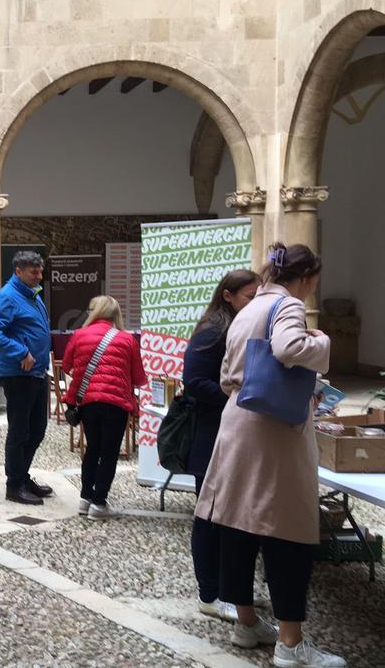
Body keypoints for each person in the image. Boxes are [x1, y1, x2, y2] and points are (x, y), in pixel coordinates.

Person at [196, 243, 344, 667]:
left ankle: (247, 624)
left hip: (238, 424)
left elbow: (227, 376)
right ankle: (291, 644)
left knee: (239, 525)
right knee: (288, 532)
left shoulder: (247, 311)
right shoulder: (288, 306)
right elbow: (289, 348)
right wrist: (322, 339)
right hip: (274, 433)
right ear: (310, 278)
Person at [184, 269, 260, 623]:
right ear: (228, 296)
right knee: (209, 517)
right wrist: (236, 397)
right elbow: (195, 382)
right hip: (211, 435)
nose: (254, 303)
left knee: (225, 519)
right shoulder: (214, 329)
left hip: (229, 433)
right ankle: (209, 593)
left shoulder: (237, 325)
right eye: (249, 296)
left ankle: (226, 591)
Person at [61, 296, 147, 520]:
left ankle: (85, 499)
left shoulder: (79, 335)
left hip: (88, 402)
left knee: (92, 450)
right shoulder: (127, 339)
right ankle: (99, 504)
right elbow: (139, 377)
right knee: (109, 454)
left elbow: (67, 365)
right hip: (116, 403)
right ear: (116, 314)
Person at [0, 250, 53, 505]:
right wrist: (21, 351)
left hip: (36, 373)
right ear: (18, 271)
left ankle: (22, 476)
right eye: (34, 272)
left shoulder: (31, 294)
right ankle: (14, 485)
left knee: (38, 429)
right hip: (18, 374)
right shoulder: (9, 296)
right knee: (20, 431)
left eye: (40, 271)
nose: (39, 276)